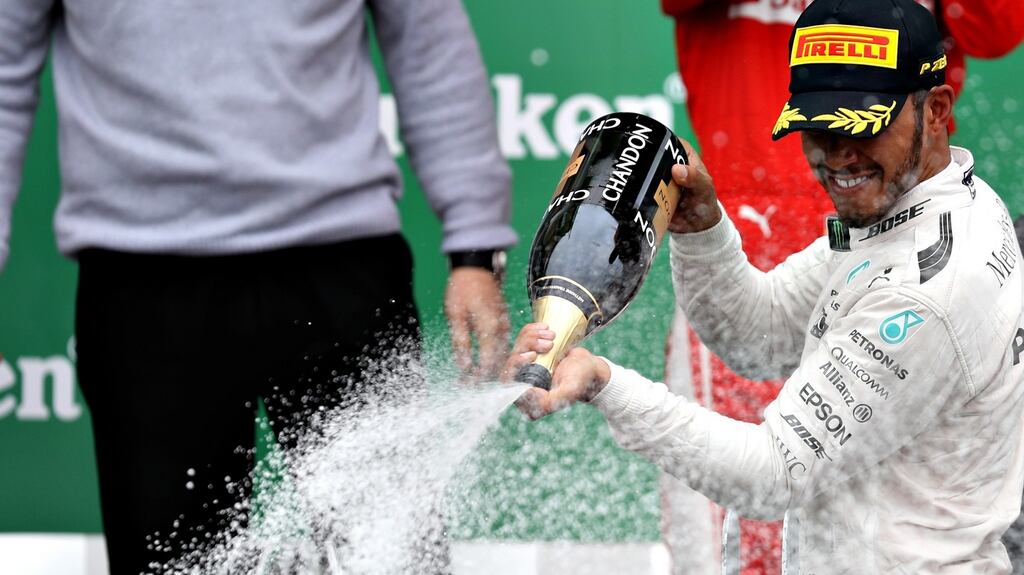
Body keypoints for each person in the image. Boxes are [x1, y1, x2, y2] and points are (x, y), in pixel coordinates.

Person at [0, 1, 514, 573]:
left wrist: (475, 248)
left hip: (341, 271)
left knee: (391, 560)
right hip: (144, 287)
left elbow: (430, 45)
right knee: (173, 565)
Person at [512, 0, 1024, 572]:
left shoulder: (921, 284)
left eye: (862, 128)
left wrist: (604, 383)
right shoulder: (925, 207)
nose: (838, 157)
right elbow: (759, 335)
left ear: (936, 110)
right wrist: (705, 229)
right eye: (818, 129)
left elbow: (772, 476)